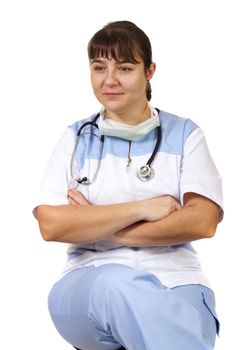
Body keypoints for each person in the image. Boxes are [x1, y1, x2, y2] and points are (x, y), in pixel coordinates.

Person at [34, 20, 223, 350]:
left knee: (184, 320)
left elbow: (203, 221)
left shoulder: (186, 135)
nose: (109, 80)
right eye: (98, 67)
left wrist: (96, 224)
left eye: (124, 67)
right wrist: (144, 209)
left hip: (178, 282)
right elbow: (51, 224)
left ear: (149, 72)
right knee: (117, 284)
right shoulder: (75, 139)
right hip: (90, 283)